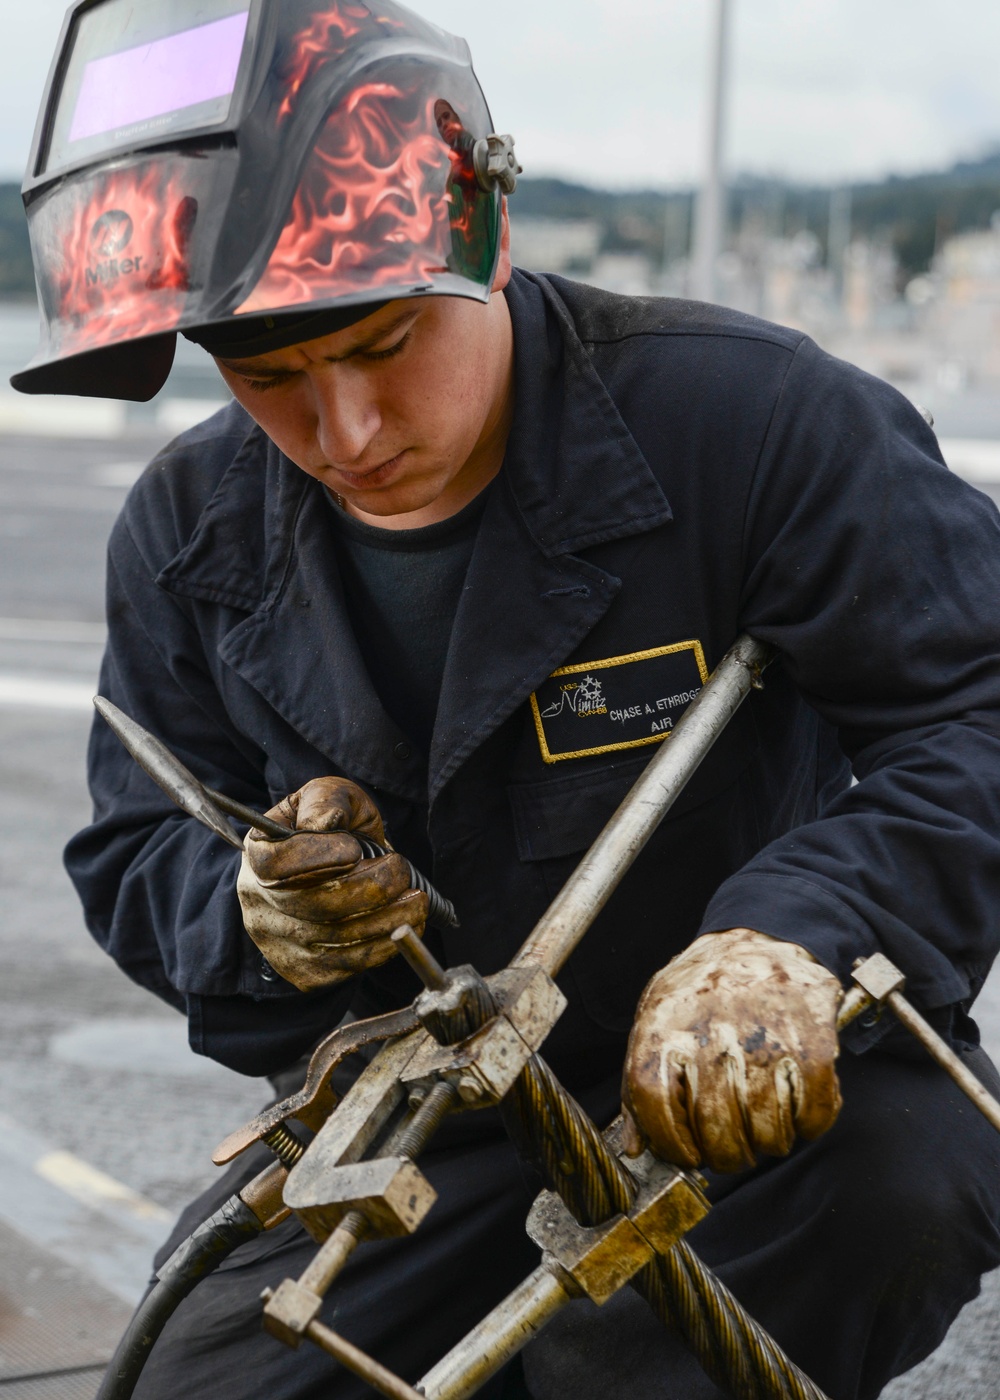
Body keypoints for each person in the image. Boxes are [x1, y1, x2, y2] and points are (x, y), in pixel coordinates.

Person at [13, 2, 1000, 1397]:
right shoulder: (188, 534)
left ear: (482, 235)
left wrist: (796, 936)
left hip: (752, 1091)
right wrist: (257, 918)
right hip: (432, 1126)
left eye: (380, 346)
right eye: (269, 375)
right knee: (202, 1380)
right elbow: (133, 851)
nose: (342, 433)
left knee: (895, 1183)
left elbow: (972, 710)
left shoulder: (755, 426)